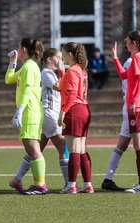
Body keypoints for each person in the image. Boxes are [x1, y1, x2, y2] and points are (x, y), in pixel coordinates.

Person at [8, 48, 69, 193]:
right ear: (49, 60)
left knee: (35, 150)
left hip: (47, 115)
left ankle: (17, 179)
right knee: (63, 148)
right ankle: (69, 184)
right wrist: (62, 72)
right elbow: (60, 87)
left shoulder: (48, 73)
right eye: (58, 58)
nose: (60, 61)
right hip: (50, 115)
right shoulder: (46, 73)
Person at [5, 38, 47, 195]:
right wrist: (12, 62)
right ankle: (36, 184)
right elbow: (8, 79)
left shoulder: (30, 67)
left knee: (33, 149)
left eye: (18, 47)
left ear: (23, 49)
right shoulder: (26, 67)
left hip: (30, 112)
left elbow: (28, 90)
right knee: (32, 149)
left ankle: (40, 185)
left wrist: (19, 111)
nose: (16, 49)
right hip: (30, 112)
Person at [57, 42, 93, 194]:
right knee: (82, 149)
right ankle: (88, 184)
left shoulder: (72, 70)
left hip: (74, 110)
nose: (62, 56)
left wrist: (63, 111)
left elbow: (71, 94)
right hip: (84, 109)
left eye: (63, 53)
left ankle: (71, 185)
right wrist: (61, 72)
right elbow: (63, 86)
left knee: (74, 150)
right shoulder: (81, 70)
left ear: (70, 54)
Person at [102, 40, 132, 191]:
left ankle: (108, 179)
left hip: (129, 107)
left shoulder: (130, 61)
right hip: (134, 107)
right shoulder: (131, 61)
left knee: (122, 145)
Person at [113, 30, 140, 194]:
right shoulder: (134, 59)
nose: (125, 42)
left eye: (128, 40)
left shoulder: (137, 58)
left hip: (136, 108)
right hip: (135, 106)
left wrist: (134, 101)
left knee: (138, 147)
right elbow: (125, 76)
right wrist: (115, 58)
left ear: (134, 43)